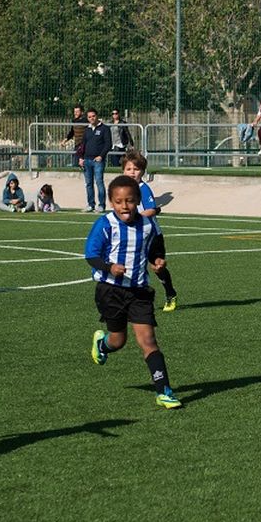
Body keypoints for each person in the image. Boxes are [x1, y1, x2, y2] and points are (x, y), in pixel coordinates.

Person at [86, 174, 182, 409]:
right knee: (118, 341)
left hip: (139, 291)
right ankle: (103, 343)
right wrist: (110, 267)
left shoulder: (148, 225)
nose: (124, 206)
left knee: (148, 340)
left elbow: (152, 251)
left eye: (129, 200)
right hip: (110, 291)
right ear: (111, 202)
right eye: (119, 202)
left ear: (138, 200)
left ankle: (164, 391)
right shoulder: (105, 223)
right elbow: (91, 255)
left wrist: (157, 261)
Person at [121, 151, 178, 311]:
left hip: (152, 235)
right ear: (123, 171)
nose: (132, 172)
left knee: (157, 267)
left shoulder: (143, 188)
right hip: (134, 236)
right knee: (129, 268)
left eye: (136, 169)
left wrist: (133, 216)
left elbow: (151, 210)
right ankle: (132, 300)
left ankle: (170, 293)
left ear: (143, 172)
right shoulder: (122, 189)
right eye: (129, 169)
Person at [80, 108, 110, 213]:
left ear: (97, 116)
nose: (92, 118)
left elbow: (108, 144)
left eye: (93, 116)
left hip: (98, 161)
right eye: (89, 117)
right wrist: (81, 158)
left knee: (99, 182)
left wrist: (101, 156)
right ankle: (90, 204)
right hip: (86, 160)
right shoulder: (87, 130)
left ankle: (101, 205)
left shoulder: (104, 128)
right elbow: (82, 145)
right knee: (88, 183)